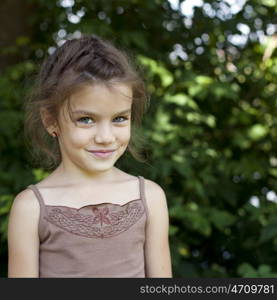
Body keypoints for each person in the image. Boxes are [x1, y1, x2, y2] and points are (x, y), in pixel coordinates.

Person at [7, 34, 172, 278]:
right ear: (50, 120)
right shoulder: (30, 209)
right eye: (86, 119)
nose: (105, 137)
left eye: (119, 119)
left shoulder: (150, 198)